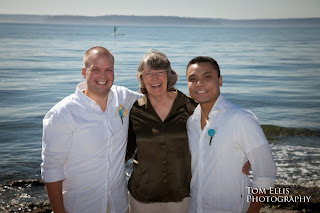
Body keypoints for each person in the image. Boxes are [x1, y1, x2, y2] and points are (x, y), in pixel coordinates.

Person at [41, 46, 141, 213]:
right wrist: (59, 210)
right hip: (81, 207)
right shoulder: (63, 113)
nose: (103, 76)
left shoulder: (123, 97)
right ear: (83, 71)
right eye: (96, 69)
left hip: (119, 205)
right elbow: (52, 168)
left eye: (109, 70)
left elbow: (156, 99)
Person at [186, 56, 277, 213]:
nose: (199, 83)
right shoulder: (191, 122)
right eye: (193, 79)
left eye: (207, 77)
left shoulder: (240, 118)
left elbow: (266, 175)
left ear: (220, 80)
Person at [125, 50, 197, 213]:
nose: (155, 78)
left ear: (169, 75)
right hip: (142, 195)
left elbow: (211, 139)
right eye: (148, 73)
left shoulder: (189, 106)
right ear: (142, 78)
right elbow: (125, 150)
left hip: (182, 194)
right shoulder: (136, 111)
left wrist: (238, 156)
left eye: (160, 72)